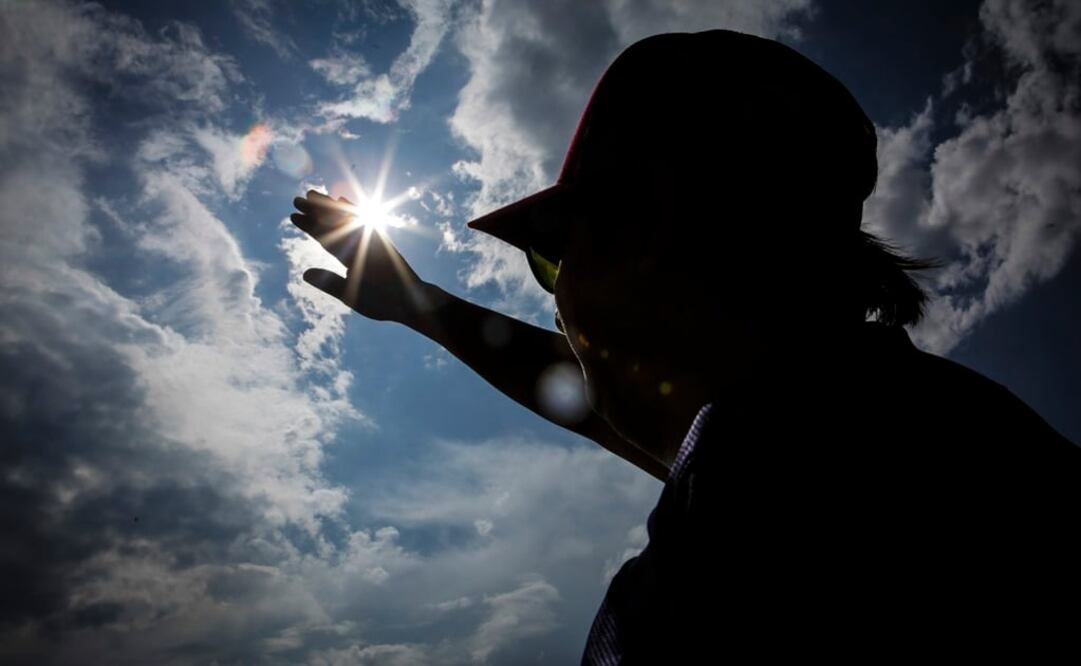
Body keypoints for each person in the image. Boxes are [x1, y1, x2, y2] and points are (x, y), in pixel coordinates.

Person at [291, 29, 1079, 662]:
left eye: (557, 254)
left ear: (654, 237)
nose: (559, 294)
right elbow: (594, 395)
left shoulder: (778, 502)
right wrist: (422, 306)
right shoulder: (880, 433)